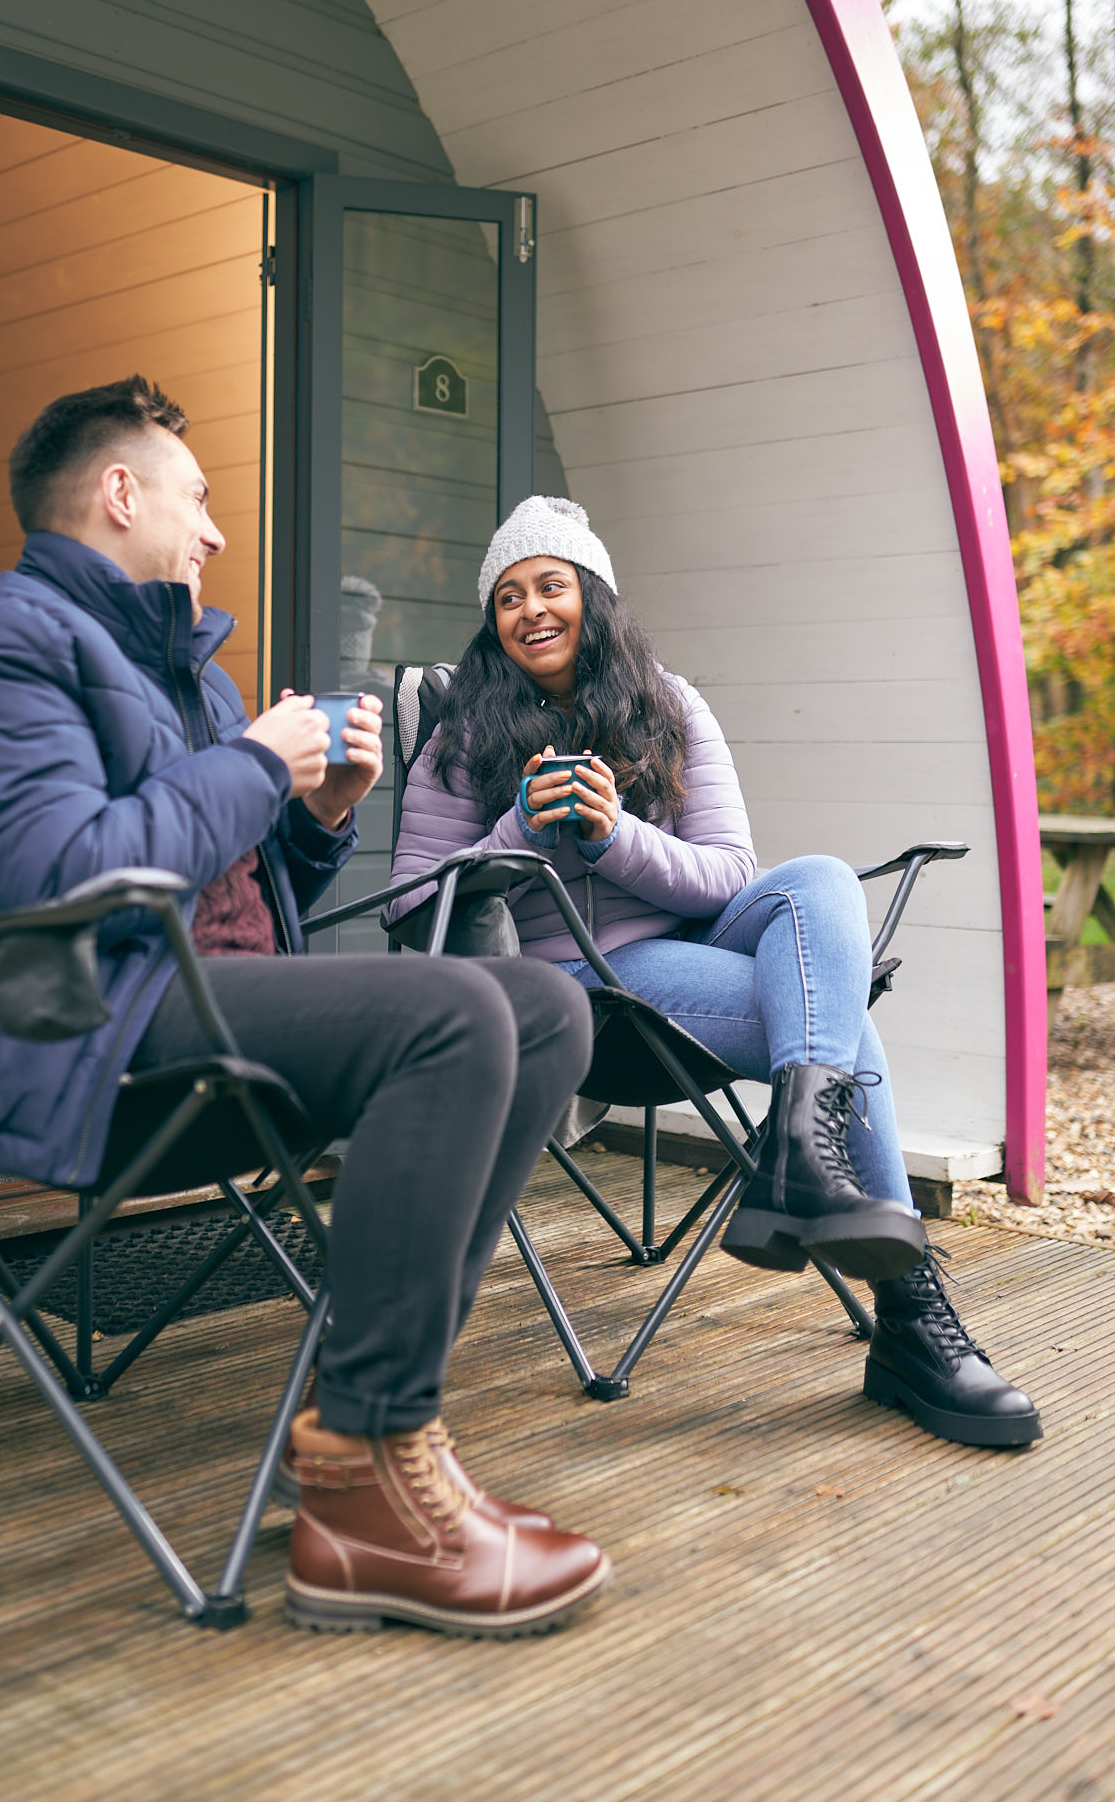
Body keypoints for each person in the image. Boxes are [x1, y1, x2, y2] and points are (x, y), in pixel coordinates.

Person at [0, 383, 610, 1638]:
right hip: (71, 1030)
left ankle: (371, 1419)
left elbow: (236, 898)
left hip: (192, 1009)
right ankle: (365, 1470)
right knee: (457, 1010)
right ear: (119, 493)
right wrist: (250, 763)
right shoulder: (6, 639)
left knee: (544, 1009)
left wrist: (316, 810)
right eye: (195, 496)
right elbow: (56, 878)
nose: (215, 532)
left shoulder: (174, 666)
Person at [389, 495, 1041, 1451]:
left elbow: (728, 874)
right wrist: (516, 831)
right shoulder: (462, 737)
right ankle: (906, 1310)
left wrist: (616, 837)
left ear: (594, 598)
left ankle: (807, 1168)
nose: (530, 610)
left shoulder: (669, 704)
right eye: (508, 597)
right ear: (491, 622)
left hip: (687, 949)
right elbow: (413, 906)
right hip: (574, 987)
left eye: (551, 586)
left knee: (813, 880)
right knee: (836, 1022)